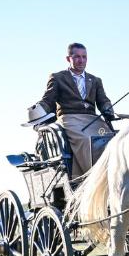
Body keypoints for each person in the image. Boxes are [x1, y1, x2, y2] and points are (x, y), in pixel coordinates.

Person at [32, 43, 115, 178]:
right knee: (86, 140)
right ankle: (93, 176)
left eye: (84, 57)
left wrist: (107, 108)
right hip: (69, 118)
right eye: (77, 57)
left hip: (92, 120)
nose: (81, 60)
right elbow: (48, 100)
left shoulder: (95, 80)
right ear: (68, 58)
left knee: (110, 139)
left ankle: (112, 173)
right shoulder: (57, 77)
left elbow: (103, 100)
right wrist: (37, 111)